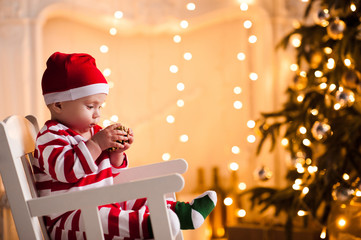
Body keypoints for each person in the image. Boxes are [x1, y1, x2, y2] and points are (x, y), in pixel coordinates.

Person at [32, 52, 217, 240]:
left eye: (100, 107)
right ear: (58, 104)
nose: (97, 115)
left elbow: (110, 174)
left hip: (100, 201)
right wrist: (97, 144)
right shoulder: (50, 136)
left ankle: (182, 214)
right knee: (106, 218)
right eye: (90, 107)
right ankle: (152, 225)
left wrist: (116, 154)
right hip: (68, 217)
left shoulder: (94, 132)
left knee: (137, 196)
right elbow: (67, 170)